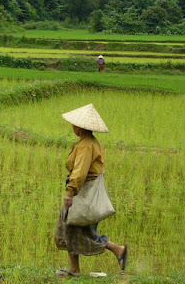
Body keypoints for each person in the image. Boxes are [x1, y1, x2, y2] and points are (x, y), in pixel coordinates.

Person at [55, 103, 128, 277]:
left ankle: (117, 250)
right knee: (74, 230)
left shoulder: (86, 146)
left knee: (74, 229)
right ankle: (76, 268)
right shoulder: (89, 143)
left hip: (81, 193)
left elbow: (79, 172)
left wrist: (69, 193)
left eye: (74, 124)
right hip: (83, 192)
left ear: (79, 126)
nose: (72, 126)